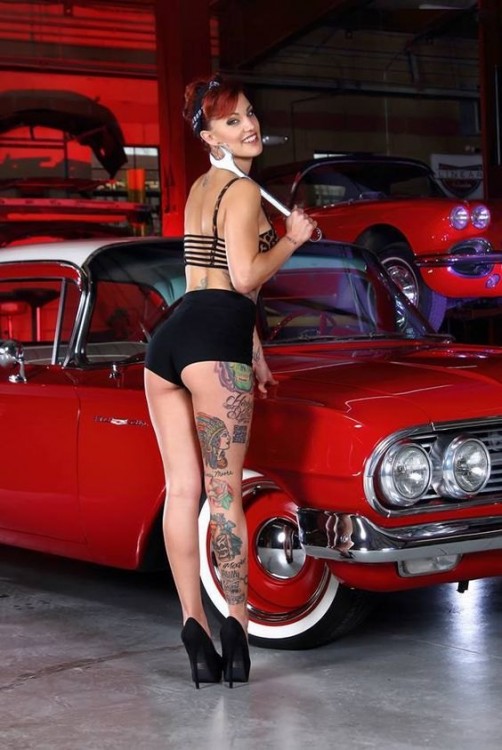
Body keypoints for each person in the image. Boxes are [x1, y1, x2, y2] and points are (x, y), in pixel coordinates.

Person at [144, 73, 316, 688]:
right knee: (223, 498)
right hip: (214, 349)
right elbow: (244, 278)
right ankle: (236, 632)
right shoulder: (243, 193)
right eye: (232, 120)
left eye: (249, 114)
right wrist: (291, 240)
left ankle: (193, 627)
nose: (249, 126)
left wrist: (256, 350)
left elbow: (211, 281)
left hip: (171, 342)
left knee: (181, 490)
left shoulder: (200, 189)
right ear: (210, 136)